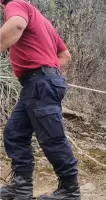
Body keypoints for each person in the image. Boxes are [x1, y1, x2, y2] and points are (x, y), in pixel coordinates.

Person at [0, 0, 80, 199]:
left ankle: (70, 191)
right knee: (14, 133)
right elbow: (64, 55)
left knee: (52, 137)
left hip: (40, 84)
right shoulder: (42, 20)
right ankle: (21, 188)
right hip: (36, 84)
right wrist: (48, 68)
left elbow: (16, 25)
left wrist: (44, 72)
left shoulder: (16, 4)